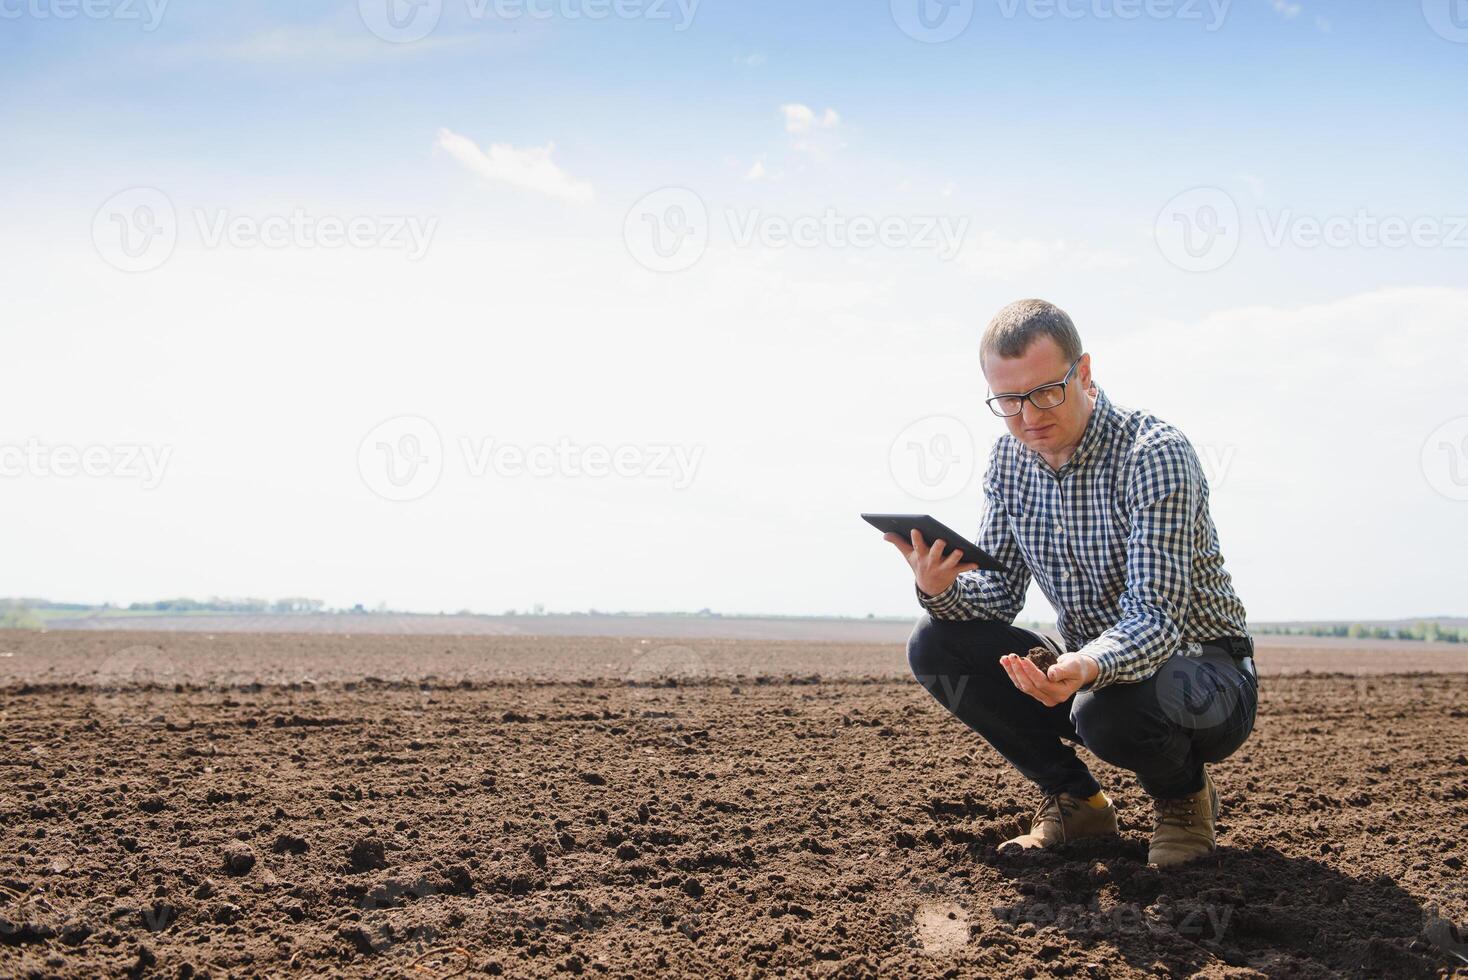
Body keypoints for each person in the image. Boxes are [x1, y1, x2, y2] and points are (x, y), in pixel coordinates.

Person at [888, 299, 1257, 867]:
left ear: (1083, 373)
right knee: (935, 643)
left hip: (1205, 674)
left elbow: (1155, 619)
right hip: (1093, 674)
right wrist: (940, 587)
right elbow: (1001, 593)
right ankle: (1077, 800)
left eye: (1044, 392)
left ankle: (1184, 799)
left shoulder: (1153, 454)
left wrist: (1084, 668)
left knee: (1105, 711)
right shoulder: (1010, 462)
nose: (1028, 416)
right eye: (1007, 400)